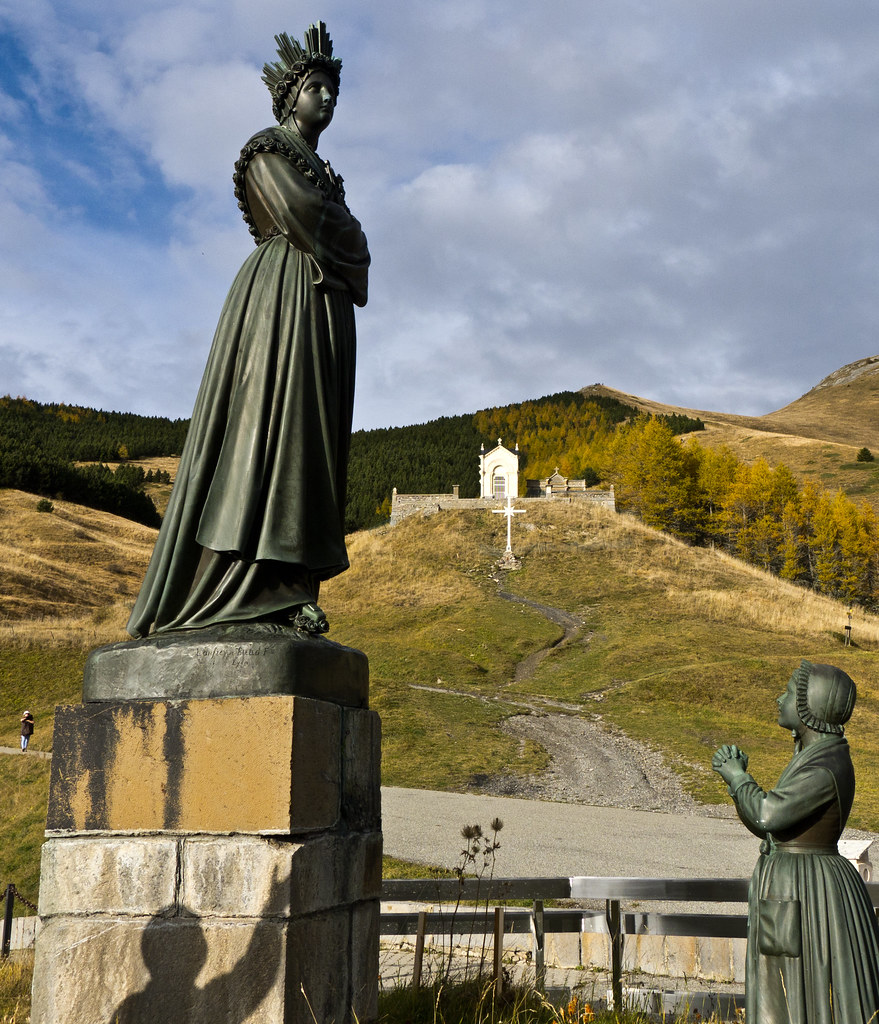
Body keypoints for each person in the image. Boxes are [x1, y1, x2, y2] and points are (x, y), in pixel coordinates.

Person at [127, 22, 369, 639]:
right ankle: (252, 583)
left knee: (309, 438)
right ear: (291, 96)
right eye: (316, 86)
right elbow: (311, 218)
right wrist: (349, 237)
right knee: (273, 428)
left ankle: (291, 586)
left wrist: (346, 239)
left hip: (321, 309)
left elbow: (340, 229)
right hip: (281, 303)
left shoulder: (323, 168)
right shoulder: (268, 150)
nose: (327, 98)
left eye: (332, 89)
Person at [713, 661, 879, 1024]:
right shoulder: (817, 757)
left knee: (802, 993)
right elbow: (768, 827)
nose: (779, 698)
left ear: (810, 707)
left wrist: (739, 777)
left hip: (811, 893)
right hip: (798, 887)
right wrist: (739, 785)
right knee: (789, 989)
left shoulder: (825, 767)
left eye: (788, 692)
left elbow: (769, 815)